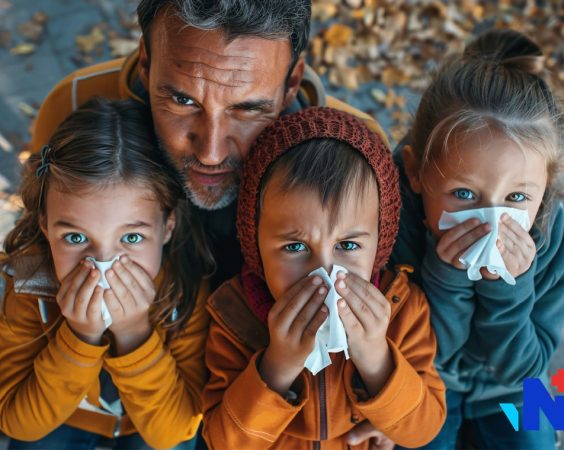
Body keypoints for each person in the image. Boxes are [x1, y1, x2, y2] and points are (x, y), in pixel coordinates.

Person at [28, 1, 394, 445]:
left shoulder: (356, 157)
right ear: (146, 62)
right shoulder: (71, 106)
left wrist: (384, 402)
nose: (211, 152)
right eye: (182, 100)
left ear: (292, 80)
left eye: (246, 109)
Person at [201, 107, 447, 449]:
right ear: (254, 240)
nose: (325, 273)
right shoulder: (233, 317)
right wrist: (276, 367)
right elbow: (222, 441)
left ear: (380, 242)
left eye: (347, 245)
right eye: (295, 246)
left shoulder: (401, 309)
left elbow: (423, 429)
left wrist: (376, 359)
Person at [390, 29, 564, 449]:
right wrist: (446, 279)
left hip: (520, 384)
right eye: (464, 194)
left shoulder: (560, 236)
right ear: (416, 172)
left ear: (545, 188)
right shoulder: (395, 220)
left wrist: (507, 288)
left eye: (517, 197)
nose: (492, 220)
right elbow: (425, 354)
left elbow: (530, 369)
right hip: (426, 379)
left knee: (541, 436)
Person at [0, 98, 212, 449]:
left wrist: (134, 333)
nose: (103, 263)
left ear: (167, 227)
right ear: (45, 225)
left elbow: (175, 433)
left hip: (147, 424)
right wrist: (80, 338)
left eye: (131, 237)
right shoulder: (28, 284)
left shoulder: (185, 288)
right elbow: (16, 422)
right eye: (76, 237)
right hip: (60, 416)